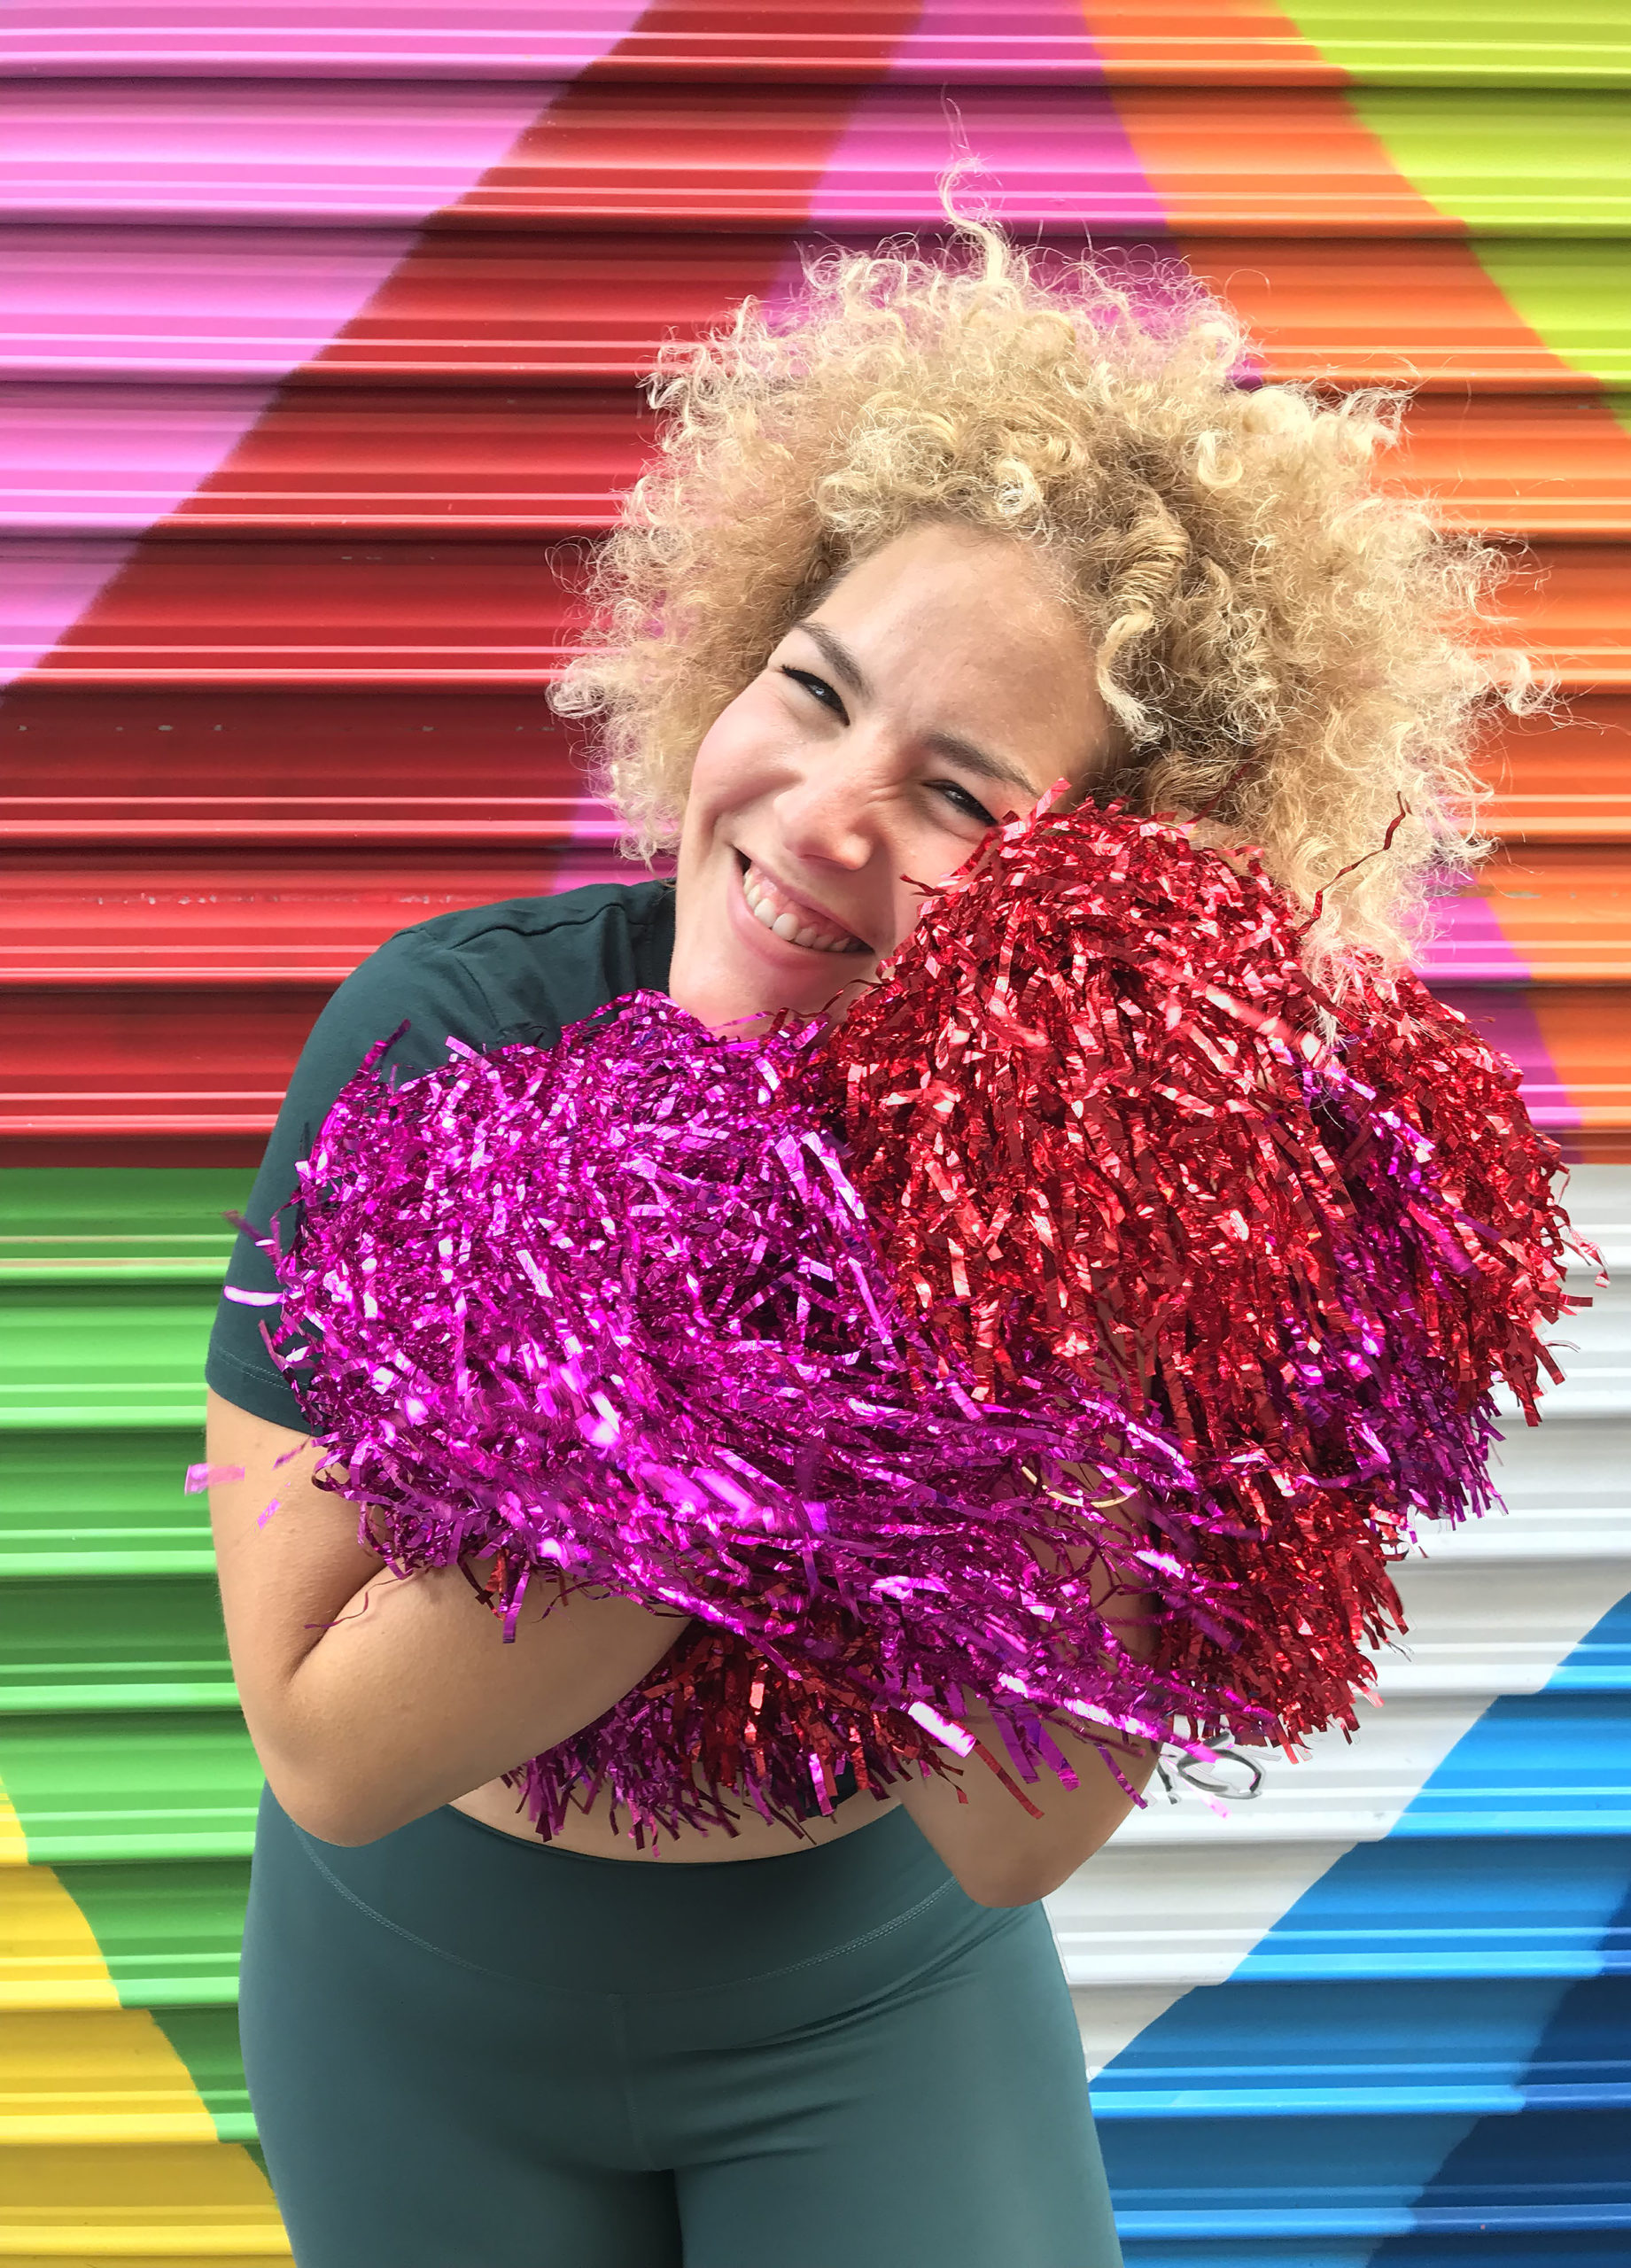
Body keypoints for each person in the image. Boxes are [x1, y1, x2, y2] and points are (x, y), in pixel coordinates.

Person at [205, 220, 1513, 2266]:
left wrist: (1061, 1245)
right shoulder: (446, 1033)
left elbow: (1011, 1823)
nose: (821, 811)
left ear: (1108, 892)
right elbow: (332, 1738)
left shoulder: (1127, 1206)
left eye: (958, 799)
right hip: (413, 2000)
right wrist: (781, 1314)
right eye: (810, 689)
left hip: (872, 2007)